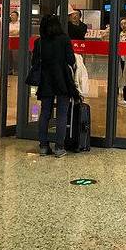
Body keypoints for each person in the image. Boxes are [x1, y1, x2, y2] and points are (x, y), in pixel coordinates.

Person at [33, 14, 78, 158]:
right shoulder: (64, 39)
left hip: (46, 80)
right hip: (62, 79)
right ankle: (59, 147)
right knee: (62, 114)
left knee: (45, 112)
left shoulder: (39, 42)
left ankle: (43, 146)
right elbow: (71, 59)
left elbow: (34, 62)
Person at [8, 10, 20, 75]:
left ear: (17, 16)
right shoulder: (9, 24)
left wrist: (12, 32)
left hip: (16, 41)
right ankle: (9, 70)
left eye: (13, 15)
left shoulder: (20, 24)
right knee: (9, 56)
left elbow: (18, 32)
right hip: (9, 40)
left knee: (16, 57)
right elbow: (8, 32)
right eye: (11, 15)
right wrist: (14, 32)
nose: (12, 16)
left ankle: (16, 70)